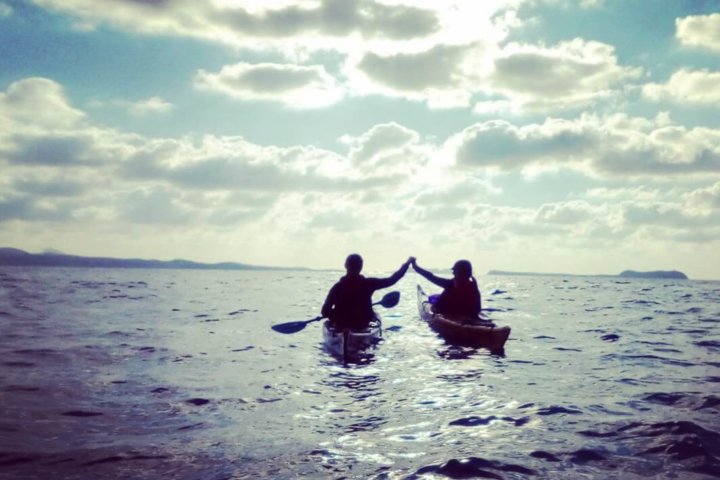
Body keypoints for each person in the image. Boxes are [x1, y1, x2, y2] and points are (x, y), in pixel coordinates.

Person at [321, 254, 411, 330]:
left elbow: (325, 311)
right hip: (362, 324)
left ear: (345, 266)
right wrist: (406, 264)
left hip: (341, 324)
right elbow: (391, 280)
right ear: (361, 267)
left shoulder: (337, 287)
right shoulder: (368, 284)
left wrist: (335, 316)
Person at [411, 257, 482, 319]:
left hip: (458, 317)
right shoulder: (472, 286)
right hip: (457, 315)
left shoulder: (452, 284)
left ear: (463, 272)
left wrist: (415, 267)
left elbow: (431, 277)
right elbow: (431, 276)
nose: (453, 273)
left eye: (455, 271)